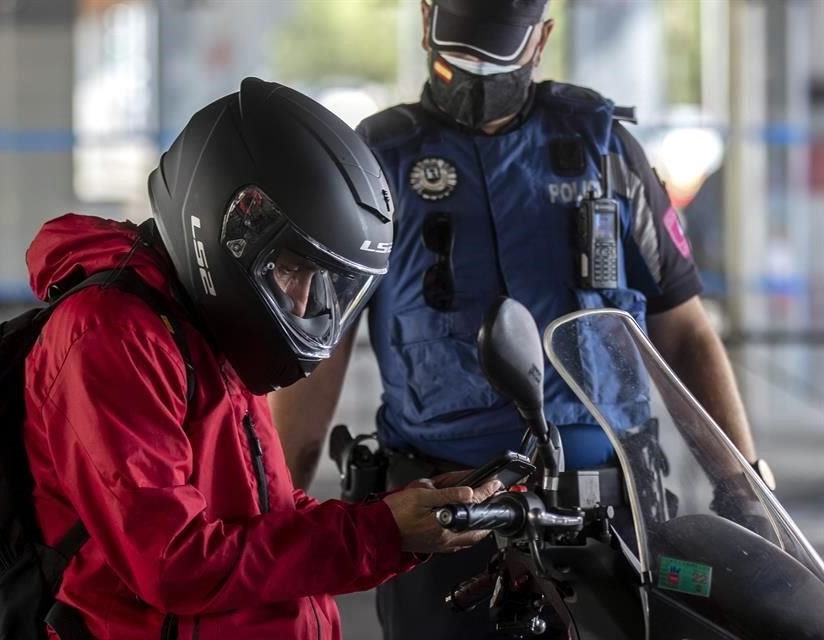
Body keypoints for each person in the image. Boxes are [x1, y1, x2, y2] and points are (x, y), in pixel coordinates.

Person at [268, 2, 770, 638]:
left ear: (542, 40)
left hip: (608, 514)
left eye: (496, 50)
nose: (475, 70)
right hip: (440, 516)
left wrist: (743, 488)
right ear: (427, 22)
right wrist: (279, 515)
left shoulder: (605, 151)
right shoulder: (377, 160)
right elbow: (321, 352)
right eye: (462, 48)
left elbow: (686, 329)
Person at [21, 77, 498, 640]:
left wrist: (400, 515)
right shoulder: (109, 335)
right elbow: (176, 564)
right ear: (228, 227)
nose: (302, 301)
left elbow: (266, 513)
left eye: (322, 282)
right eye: (292, 268)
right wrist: (380, 535)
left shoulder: (207, 329)